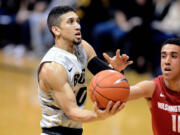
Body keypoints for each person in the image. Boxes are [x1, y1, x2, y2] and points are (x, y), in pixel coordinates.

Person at [37, 6, 133, 135]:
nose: (77, 26)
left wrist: (116, 70)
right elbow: (72, 112)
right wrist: (98, 115)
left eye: (77, 21)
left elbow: (106, 76)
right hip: (55, 132)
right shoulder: (53, 67)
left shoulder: (83, 47)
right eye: (70, 22)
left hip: (76, 131)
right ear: (56, 30)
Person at [118, 38, 180, 135]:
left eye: (174, 56)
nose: (167, 61)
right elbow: (117, 95)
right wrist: (116, 72)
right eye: (163, 56)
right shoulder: (152, 87)